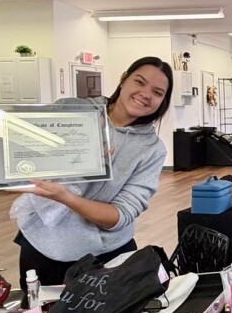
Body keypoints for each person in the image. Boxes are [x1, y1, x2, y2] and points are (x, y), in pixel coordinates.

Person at [10, 56, 173, 287]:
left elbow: (121, 215)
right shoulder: (73, 111)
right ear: (124, 80)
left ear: (162, 101)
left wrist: (66, 198)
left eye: (157, 92)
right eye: (139, 82)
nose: (146, 94)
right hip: (43, 243)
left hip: (108, 253)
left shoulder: (152, 149)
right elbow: (21, 153)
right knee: (42, 309)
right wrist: (71, 151)